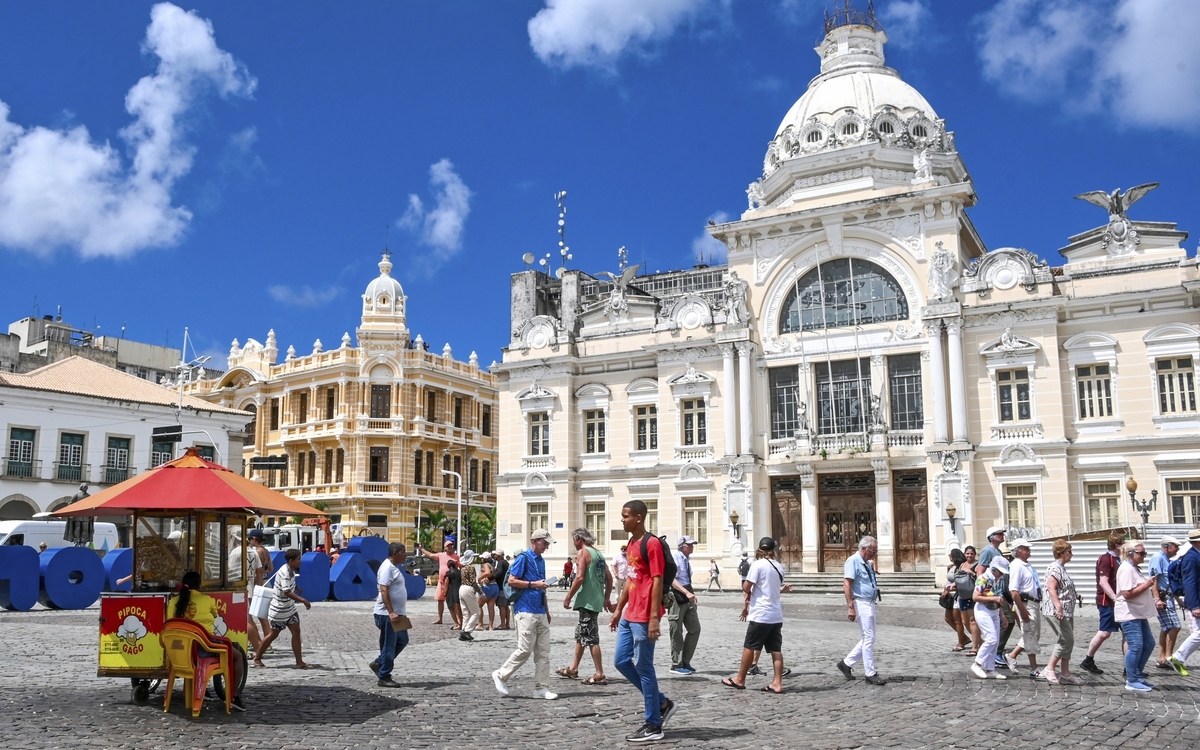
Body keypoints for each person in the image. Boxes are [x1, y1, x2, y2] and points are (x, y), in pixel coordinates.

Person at [611, 500, 676, 743]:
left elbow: (657, 580)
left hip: (645, 615)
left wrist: (653, 618)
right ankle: (662, 703)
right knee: (620, 661)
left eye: (625, 516)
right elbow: (630, 578)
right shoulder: (630, 543)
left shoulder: (653, 544)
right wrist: (619, 608)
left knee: (645, 668)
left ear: (639, 517)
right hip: (630, 614)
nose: (622, 520)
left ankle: (653, 724)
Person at [722, 536, 793, 694]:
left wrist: (747, 589)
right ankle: (777, 683)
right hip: (776, 615)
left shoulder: (758, 565)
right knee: (776, 649)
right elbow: (772, 590)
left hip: (761, 614)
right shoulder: (779, 567)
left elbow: (747, 587)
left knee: (750, 646)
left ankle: (740, 678)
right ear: (773, 550)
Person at [492, 530, 557, 700]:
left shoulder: (541, 561)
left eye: (548, 543)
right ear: (535, 541)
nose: (547, 546)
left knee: (543, 652)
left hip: (540, 610)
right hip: (525, 609)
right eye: (545, 543)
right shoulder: (523, 558)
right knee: (525, 649)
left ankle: (541, 687)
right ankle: (500, 674)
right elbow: (512, 580)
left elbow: (542, 587)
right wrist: (533, 584)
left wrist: (547, 610)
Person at [168, 570, 246, 710]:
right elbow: (215, 614)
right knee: (238, 656)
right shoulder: (207, 600)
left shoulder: (173, 602)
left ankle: (198, 689)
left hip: (179, 652)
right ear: (199, 585)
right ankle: (234, 696)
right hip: (203, 650)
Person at [557, 527, 613, 685]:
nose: (574, 544)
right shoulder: (599, 554)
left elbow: (580, 577)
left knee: (591, 637)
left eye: (574, 540)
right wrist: (606, 598)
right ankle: (573, 668)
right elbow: (609, 578)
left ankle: (599, 673)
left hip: (587, 600)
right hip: (595, 600)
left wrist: (568, 597)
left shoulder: (583, 552)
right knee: (581, 635)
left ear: (579, 539)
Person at [836, 536, 887, 685]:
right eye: (873, 551)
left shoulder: (866, 562)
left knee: (869, 638)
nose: (874, 554)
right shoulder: (853, 561)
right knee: (869, 638)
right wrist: (850, 606)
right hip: (861, 602)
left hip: (870, 602)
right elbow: (847, 584)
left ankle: (846, 664)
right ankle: (870, 673)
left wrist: (872, 563)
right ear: (864, 549)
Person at [254, 548, 313, 669]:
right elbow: (286, 591)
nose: (300, 561)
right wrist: (303, 600)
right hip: (279, 610)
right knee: (272, 635)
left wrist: (296, 586)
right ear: (291, 561)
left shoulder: (290, 570)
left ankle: (299, 662)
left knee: (296, 633)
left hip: (289, 609)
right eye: (298, 559)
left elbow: (287, 585)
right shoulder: (285, 572)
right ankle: (257, 658)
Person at [1116, 541, 1158, 691]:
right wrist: (1146, 585)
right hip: (1129, 613)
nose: (1144, 556)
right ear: (1130, 553)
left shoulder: (1134, 568)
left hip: (1138, 613)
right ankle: (1132, 679)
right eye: (1141, 553)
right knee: (1136, 646)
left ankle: (1137, 675)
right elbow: (1127, 594)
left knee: (1148, 644)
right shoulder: (1126, 569)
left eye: (1144, 553)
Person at [1081, 533, 1125, 675]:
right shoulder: (1106, 559)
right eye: (1123, 543)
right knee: (1105, 632)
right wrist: (1114, 598)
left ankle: (1129, 667)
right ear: (1117, 545)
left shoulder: (1119, 559)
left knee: (1128, 632)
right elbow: (1103, 581)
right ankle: (1088, 659)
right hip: (1107, 602)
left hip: (1119, 602)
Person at [1041, 539, 1082, 685]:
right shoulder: (1055, 568)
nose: (1071, 554)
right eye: (1069, 551)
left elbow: (1062, 587)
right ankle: (1050, 668)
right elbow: (1051, 588)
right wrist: (1058, 606)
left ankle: (1065, 673)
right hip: (1057, 610)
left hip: (1067, 610)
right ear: (1061, 553)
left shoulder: (1062, 568)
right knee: (1066, 639)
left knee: (1068, 641)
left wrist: (1074, 595)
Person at [370, 542, 409, 688]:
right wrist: (391, 612)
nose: (405, 555)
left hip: (398, 613)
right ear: (395, 553)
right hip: (387, 614)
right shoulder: (387, 568)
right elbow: (384, 591)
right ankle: (384, 675)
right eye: (403, 552)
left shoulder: (395, 567)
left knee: (402, 640)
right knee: (389, 644)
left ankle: (380, 663)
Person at [1006, 539, 1042, 677]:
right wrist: (1022, 610)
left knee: (1034, 634)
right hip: (1026, 603)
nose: (1029, 550)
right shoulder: (1016, 566)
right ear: (1019, 551)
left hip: (1034, 602)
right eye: (1026, 548)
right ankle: (1034, 668)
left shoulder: (1027, 565)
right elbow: (1014, 591)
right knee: (1030, 634)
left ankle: (1012, 655)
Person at [971, 556, 1009, 680]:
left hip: (994, 611)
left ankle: (990, 668)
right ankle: (977, 664)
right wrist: (993, 599)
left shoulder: (996, 579)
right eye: (1001, 571)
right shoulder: (983, 578)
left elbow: (998, 598)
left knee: (996, 641)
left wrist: (1002, 615)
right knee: (991, 639)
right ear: (994, 569)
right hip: (983, 611)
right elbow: (975, 597)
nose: (1002, 574)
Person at [668, 535, 701, 676]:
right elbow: (671, 579)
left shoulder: (686, 560)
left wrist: (690, 594)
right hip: (677, 595)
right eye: (689, 545)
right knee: (676, 630)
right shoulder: (675, 557)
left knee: (695, 628)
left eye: (692, 544)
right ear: (682, 546)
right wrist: (686, 592)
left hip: (687, 594)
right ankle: (677, 664)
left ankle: (685, 660)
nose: (692, 547)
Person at [1149, 536, 1182, 671]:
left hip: (1167, 596)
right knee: (1175, 626)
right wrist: (1157, 598)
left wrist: (1178, 598)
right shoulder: (1158, 557)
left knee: (1167, 627)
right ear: (1167, 546)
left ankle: (1161, 658)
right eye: (1175, 546)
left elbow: (1168, 581)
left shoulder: (1166, 559)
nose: (1177, 549)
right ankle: (1168, 657)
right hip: (1162, 597)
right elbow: (1154, 579)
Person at [1172, 528, 1200, 670]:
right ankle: (1178, 657)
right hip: (1196, 602)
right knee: (1199, 634)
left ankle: (1178, 658)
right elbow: (1190, 582)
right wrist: (1195, 606)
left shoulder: (1196, 555)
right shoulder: (1191, 557)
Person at [416, 540, 460, 625]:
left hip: (451, 582)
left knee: (453, 601)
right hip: (441, 582)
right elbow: (430, 555)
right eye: (448, 546)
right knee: (440, 600)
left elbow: (459, 566)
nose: (450, 547)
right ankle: (440, 618)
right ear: (445, 548)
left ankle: (458, 620)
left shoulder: (456, 556)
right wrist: (421, 549)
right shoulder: (441, 555)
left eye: (451, 545)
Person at [246, 528, 272, 656]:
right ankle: (268, 642)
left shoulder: (257, 552)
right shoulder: (266, 551)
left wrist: (257, 584)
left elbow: (259, 572)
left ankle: (255, 642)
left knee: (251, 615)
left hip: (258, 584)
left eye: (250, 539)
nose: (249, 541)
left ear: (254, 539)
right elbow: (270, 568)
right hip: (268, 583)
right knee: (263, 616)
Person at [943, 548, 970, 651]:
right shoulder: (953, 567)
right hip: (951, 596)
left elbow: (960, 581)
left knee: (960, 621)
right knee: (950, 619)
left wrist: (949, 589)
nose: (949, 556)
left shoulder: (961, 567)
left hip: (956, 595)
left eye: (950, 555)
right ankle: (964, 638)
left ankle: (962, 642)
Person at [958, 546, 982, 655]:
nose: (969, 555)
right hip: (962, 595)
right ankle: (980, 642)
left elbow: (981, 579)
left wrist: (971, 573)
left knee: (973, 620)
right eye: (967, 553)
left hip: (972, 594)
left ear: (975, 554)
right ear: (964, 554)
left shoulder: (978, 565)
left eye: (971, 554)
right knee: (965, 622)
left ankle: (975, 647)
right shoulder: (962, 565)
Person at [458, 551, 482, 641]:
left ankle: (464, 630)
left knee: (466, 613)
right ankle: (467, 631)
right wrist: (480, 591)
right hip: (468, 589)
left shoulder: (463, 568)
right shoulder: (471, 568)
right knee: (476, 612)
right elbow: (472, 581)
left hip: (461, 588)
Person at [478, 552, 499, 630]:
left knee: (478, 606)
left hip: (487, 587)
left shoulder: (486, 565)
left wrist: (479, 578)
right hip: (495, 586)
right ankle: (490, 626)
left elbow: (487, 573)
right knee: (491, 607)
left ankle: (480, 624)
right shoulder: (492, 565)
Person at [493, 549, 511, 630]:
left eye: (495, 555)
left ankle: (503, 624)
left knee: (502, 606)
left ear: (498, 556)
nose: (494, 556)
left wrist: (491, 577)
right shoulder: (506, 562)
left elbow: (499, 572)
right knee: (506, 606)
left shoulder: (500, 563)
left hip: (501, 587)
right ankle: (507, 624)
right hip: (507, 587)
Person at [443, 560, 464, 630]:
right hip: (460, 590)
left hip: (451, 591)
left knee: (451, 607)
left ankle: (456, 623)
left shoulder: (448, 573)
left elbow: (446, 584)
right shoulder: (460, 572)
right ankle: (461, 623)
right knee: (459, 608)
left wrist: (444, 593)